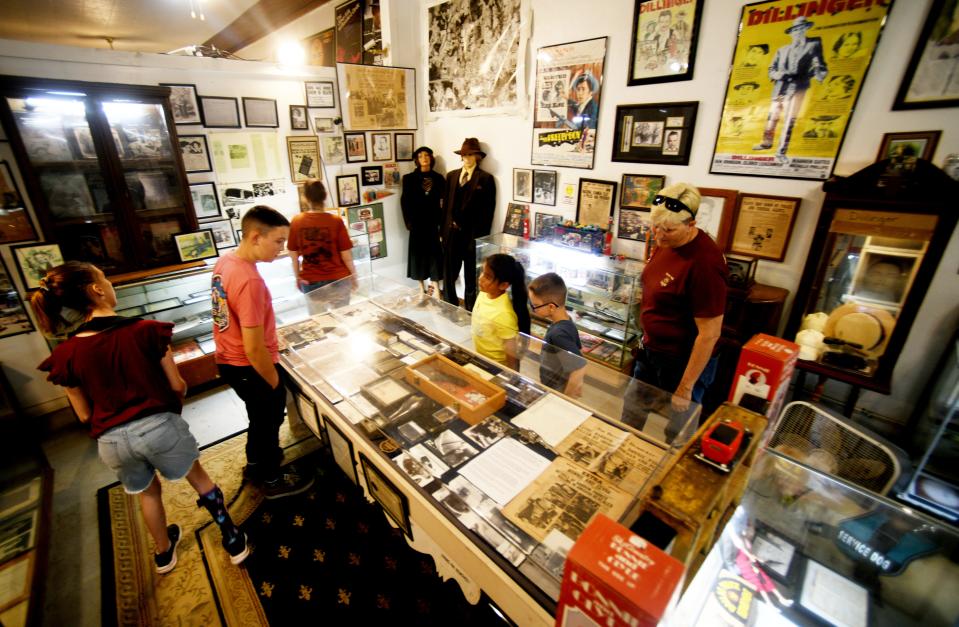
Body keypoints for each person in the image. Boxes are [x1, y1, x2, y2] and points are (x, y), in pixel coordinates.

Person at [33, 262, 249, 573]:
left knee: (148, 493)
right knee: (199, 480)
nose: (109, 283)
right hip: (159, 426)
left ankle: (163, 554)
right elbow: (177, 385)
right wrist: (168, 406)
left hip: (113, 442)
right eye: (104, 278)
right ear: (96, 290)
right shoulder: (147, 331)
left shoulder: (65, 355)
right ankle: (232, 539)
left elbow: (83, 414)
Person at [212, 205, 314, 498]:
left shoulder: (227, 261)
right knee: (269, 421)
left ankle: (255, 464)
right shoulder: (250, 280)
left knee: (258, 418)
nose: (282, 249)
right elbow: (253, 347)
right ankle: (271, 480)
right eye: (279, 241)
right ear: (256, 237)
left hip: (228, 360)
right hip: (248, 365)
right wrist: (273, 382)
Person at [621, 183, 727, 440]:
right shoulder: (664, 241)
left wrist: (685, 387)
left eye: (668, 229)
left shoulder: (705, 263)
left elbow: (709, 334)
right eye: (655, 227)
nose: (659, 235)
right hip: (651, 351)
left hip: (682, 362)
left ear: (691, 223)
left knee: (678, 431)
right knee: (631, 414)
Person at [754, 16, 828, 160]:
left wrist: (818, 73)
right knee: (772, 118)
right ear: (791, 32)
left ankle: (781, 151)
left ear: (806, 29)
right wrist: (779, 74)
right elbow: (771, 69)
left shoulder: (813, 46)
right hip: (780, 86)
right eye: (795, 30)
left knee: (789, 120)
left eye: (801, 29)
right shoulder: (782, 50)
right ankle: (766, 143)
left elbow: (819, 65)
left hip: (798, 87)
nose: (798, 32)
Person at [441, 138, 496, 310]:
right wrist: (443, 232)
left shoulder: (486, 179)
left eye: (471, 154)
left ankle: (471, 311)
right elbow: (446, 208)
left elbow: (488, 212)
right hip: (451, 234)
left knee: (471, 277)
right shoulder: (451, 176)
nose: (467, 157)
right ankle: (449, 306)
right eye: (465, 154)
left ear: (478, 157)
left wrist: (481, 240)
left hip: (472, 237)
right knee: (449, 274)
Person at [287, 179, 357, 306]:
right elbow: (346, 257)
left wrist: (297, 277)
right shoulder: (336, 221)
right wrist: (354, 276)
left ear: (305, 197)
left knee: (320, 322)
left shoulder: (296, 221)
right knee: (342, 318)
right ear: (325, 195)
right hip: (339, 278)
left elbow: (293, 257)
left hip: (311, 281)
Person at [528, 272, 586, 398]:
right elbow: (580, 352)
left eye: (536, 305)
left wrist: (567, 398)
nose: (533, 309)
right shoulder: (567, 322)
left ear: (551, 307)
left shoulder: (558, 334)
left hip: (556, 392)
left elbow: (579, 366)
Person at [471, 253, 530, 369]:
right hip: (481, 357)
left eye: (487, 277)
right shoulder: (484, 293)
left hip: (495, 366)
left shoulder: (504, 313)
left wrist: (511, 375)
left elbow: (511, 350)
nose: (480, 278)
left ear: (503, 285)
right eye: (483, 272)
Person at [401, 146, 445, 296]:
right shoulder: (409, 179)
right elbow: (404, 201)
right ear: (417, 160)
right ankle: (421, 288)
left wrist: (442, 224)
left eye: (427, 155)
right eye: (420, 156)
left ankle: (436, 286)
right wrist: (409, 223)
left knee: (435, 255)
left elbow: (443, 202)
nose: (424, 158)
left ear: (431, 158)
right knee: (417, 255)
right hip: (417, 223)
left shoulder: (439, 178)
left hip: (433, 223)